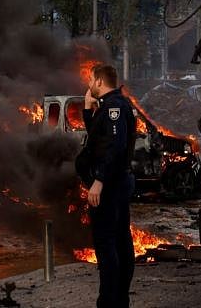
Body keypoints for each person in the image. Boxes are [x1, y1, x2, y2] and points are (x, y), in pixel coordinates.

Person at [78, 64, 137, 308]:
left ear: (100, 82)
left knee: (108, 244)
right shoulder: (115, 105)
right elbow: (98, 139)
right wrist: (87, 109)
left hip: (110, 185)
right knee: (120, 239)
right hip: (117, 183)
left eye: (91, 80)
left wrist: (99, 181)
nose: (89, 84)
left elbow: (114, 146)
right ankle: (119, 300)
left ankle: (109, 301)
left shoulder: (114, 107)